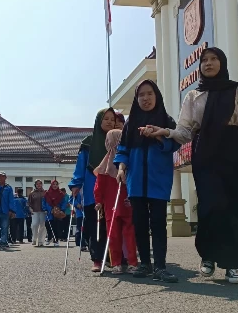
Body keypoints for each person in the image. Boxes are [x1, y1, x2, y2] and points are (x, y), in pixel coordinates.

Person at [150, 47, 238, 284]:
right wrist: (166, 131)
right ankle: (208, 256)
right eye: (204, 60)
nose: (208, 63)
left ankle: (233, 265)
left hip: (235, 151)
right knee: (211, 205)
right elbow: (185, 131)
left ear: (222, 63)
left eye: (214, 59)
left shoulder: (237, 90)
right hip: (206, 153)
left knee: (236, 207)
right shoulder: (194, 96)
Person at [115, 80, 181, 281]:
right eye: (141, 95)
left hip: (158, 181)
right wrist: (121, 167)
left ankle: (160, 266)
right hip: (136, 182)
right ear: (136, 99)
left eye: (149, 93)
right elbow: (123, 149)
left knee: (159, 223)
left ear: (156, 95)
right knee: (140, 223)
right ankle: (145, 263)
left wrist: (158, 136)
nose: (145, 98)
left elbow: (175, 144)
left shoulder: (166, 120)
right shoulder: (130, 123)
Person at [69, 108, 117, 272]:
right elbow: (80, 166)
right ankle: (97, 259)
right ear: (99, 121)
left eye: (113, 119)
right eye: (106, 119)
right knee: (94, 224)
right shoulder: (88, 142)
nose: (110, 122)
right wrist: (76, 184)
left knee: (111, 224)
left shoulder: (117, 140)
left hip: (112, 186)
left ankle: (112, 257)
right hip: (91, 189)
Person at [95, 129, 138, 275]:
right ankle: (119, 263)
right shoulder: (105, 164)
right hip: (113, 205)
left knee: (127, 234)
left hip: (125, 203)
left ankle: (128, 262)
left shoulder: (126, 160)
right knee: (116, 235)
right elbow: (99, 186)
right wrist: (99, 201)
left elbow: (98, 186)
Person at [0, 172, 15, 249]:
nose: (1, 178)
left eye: (3, 177)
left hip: (5, 210)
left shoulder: (9, 188)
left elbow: (11, 199)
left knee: (5, 227)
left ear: (5, 178)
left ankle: (4, 242)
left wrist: (12, 210)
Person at [43, 180, 66, 247]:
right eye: (54, 184)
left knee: (56, 226)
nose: (55, 186)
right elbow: (43, 201)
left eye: (56, 184)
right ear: (51, 185)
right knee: (48, 225)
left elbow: (63, 203)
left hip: (57, 212)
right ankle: (49, 238)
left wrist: (62, 210)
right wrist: (45, 209)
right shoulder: (47, 193)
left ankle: (56, 240)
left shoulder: (61, 194)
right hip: (49, 212)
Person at [29, 180, 47, 246]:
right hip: (35, 211)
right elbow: (29, 203)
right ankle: (34, 239)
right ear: (35, 185)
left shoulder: (45, 192)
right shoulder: (32, 193)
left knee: (43, 226)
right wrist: (30, 209)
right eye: (37, 184)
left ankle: (41, 241)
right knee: (34, 225)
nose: (39, 185)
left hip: (43, 211)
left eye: (40, 184)